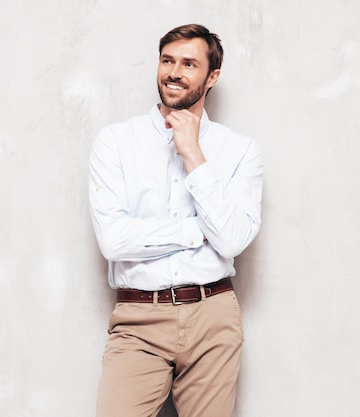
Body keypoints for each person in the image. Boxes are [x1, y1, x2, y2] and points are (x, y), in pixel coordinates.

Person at [88, 23, 264, 417]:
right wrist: (196, 232)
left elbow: (233, 241)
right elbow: (113, 240)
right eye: (167, 60)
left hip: (212, 316)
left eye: (189, 63)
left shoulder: (240, 151)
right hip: (138, 319)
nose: (174, 72)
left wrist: (193, 155)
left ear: (212, 76)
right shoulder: (115, 142)